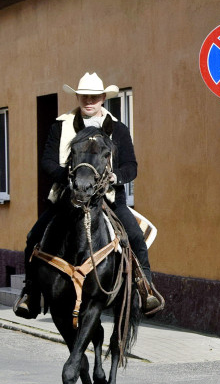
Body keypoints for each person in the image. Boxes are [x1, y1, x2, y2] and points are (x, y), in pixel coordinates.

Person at [14, 72, 162, 318]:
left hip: (109, 198)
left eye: (94, 96)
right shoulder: (61, 126)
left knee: (136, 237)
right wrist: (69, 176)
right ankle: (31, 293)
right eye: (84, 96)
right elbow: (47, 162)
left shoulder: (118, 129)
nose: (89, 101)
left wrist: (115, 177)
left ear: (103, 98)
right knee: (34, 236)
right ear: (78, 97)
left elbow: (131, 166)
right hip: (67, 197)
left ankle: (145, 289)